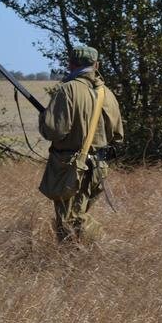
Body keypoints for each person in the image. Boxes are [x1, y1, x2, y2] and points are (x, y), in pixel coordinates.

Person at [38, 46, 125, 244]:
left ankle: (105, 248)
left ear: (71, 64)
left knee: (70, 222)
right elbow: (118, 136)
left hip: (71, 168)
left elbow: (53, 131)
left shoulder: (67, 90)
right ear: (96, 65)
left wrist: (44, 118)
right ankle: (80, 258)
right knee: (74, 217)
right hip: (98, 170)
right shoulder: (107, 94)